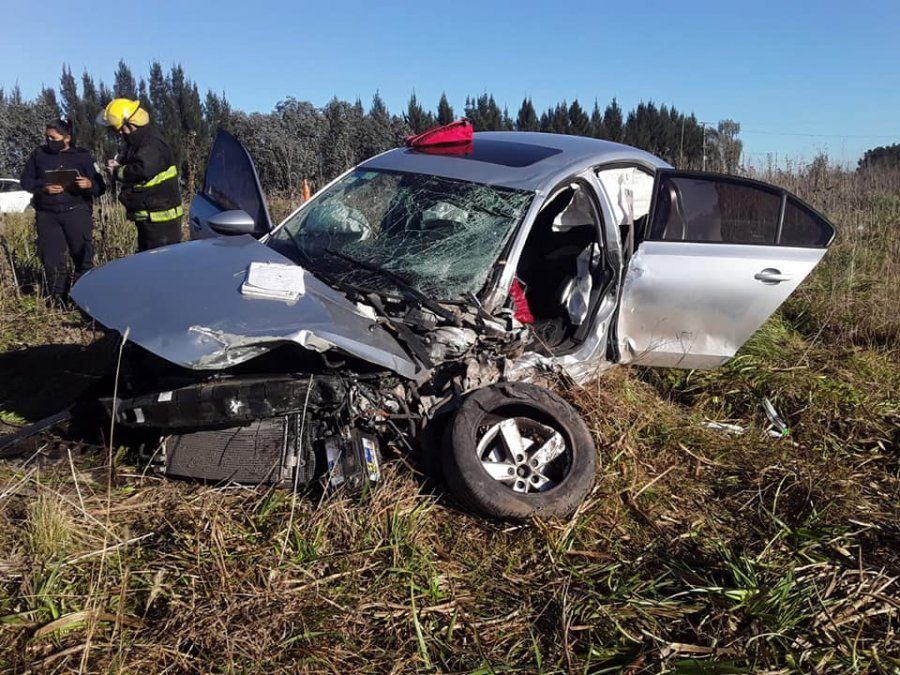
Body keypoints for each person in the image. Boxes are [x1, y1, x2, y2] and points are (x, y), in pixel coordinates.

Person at [19, 118, 105, 301]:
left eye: (53, 138)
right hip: (47, 215)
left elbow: (100, 187)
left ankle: (85, 298)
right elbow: (26, 181)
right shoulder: (38, 155)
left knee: (82, 256)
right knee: (52, 259)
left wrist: (89, 184)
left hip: (76, 212)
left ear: (67, 138)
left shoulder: (82, 156)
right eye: (47, 137)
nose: (49, 141)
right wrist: (44, 187)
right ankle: (58, 299)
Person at [97, 98, 183, 251]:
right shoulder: (140, 141)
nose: (120, 134)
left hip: (160, 222)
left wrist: (117, 171)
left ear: (129, 124)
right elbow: (133, 157)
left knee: (161, 263)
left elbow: (142, 170)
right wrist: (118, 161)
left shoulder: (152, 144)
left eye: (119, 129)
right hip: (149, 217)